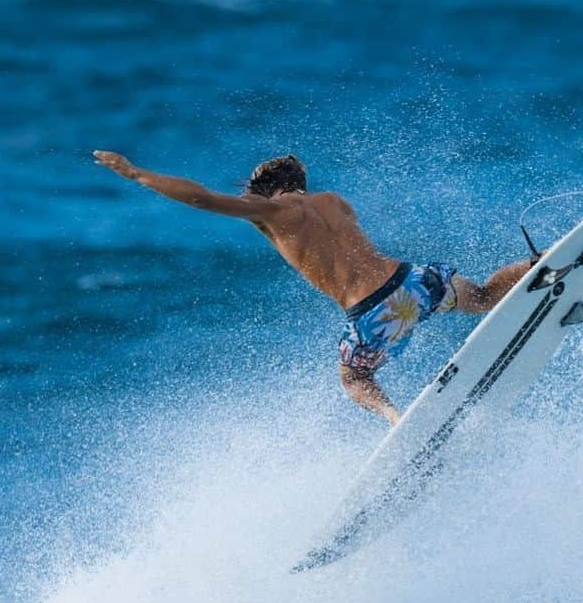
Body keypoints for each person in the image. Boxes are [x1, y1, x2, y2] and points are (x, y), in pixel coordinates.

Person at [93, 150, 529, 425]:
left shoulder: (272, 211)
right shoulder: (334, 201)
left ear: (269, 190)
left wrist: (136, 174)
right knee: (486, 297)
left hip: (373, 313)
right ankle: (541, 264)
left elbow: (203, 198)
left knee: (355, 378)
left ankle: (395, 417)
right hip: (413, 282)